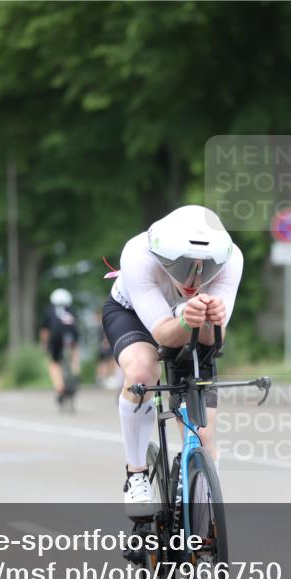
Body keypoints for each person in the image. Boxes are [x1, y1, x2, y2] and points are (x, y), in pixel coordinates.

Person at [102, 204, 243, 517]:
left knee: (204, 435)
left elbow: (211, 341)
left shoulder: (232, 260)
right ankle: (136, 474)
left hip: (187, 323)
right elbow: (164, 334)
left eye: (205, 268)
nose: (194, 278)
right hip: (133, 315)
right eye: (182, 267)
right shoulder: (138, 255)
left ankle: (201, 498)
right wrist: (186, 321)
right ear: (163, 257)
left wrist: (212, 323)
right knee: (142, 372)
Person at [40, 288, 81, 406]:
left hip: (55, 337)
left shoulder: (49, 310)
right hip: (71, 335)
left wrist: (44, 345)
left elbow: (44, 331)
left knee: (54, 363)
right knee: (75, 352)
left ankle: (59, 387)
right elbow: (76, 325)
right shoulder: (72, 310)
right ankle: (75, 372)